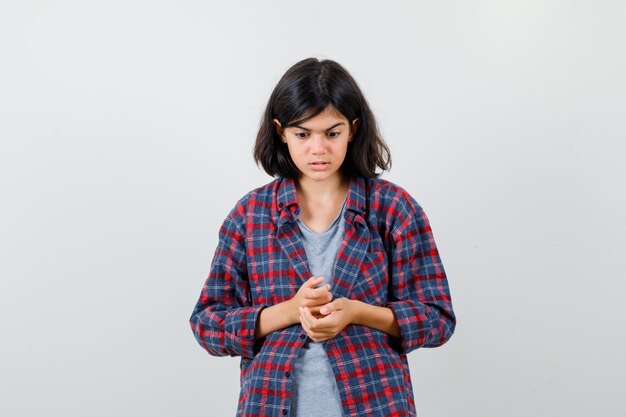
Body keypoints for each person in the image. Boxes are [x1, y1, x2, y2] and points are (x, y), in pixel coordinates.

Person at [189, 57, 456, 417]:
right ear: (281, 131)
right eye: (303, 134)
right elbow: (208, 323)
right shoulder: (250, 215)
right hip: (269, 405)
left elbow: (437, 318)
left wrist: (358, 313)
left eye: (332, 133)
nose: (318, 149)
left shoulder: (393, 208)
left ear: (353, 129)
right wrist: (289, 311)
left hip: (377, 404)